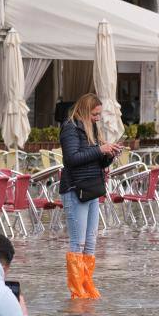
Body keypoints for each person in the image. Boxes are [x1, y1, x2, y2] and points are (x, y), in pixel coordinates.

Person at [59, 94, 120, 299]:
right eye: (95, 114)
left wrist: (108, 156)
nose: (98, 118)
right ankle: (77, 291)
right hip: (75, 188)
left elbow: (95, 162)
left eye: (99, 114)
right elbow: (72, 158)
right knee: (78, 242)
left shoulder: (91, 129)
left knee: (91, 241)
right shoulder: (70, 128)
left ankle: (87, 285)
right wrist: (99, 149)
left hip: (93, 187)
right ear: (85, 111)